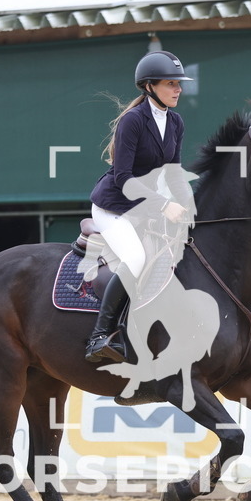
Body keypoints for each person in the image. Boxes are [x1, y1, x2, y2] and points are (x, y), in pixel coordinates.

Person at [85, 49, 194, 363]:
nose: (178, 89)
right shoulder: (133, 120)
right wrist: (163, 207)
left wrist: (188, 205)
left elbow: (173, 174)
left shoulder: (175, 122)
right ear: (150, 86)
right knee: (136, 257)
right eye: (171, 83)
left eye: (179, 84)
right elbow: (124, 178)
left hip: (144, 208)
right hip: (114, 207)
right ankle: (99, 336)